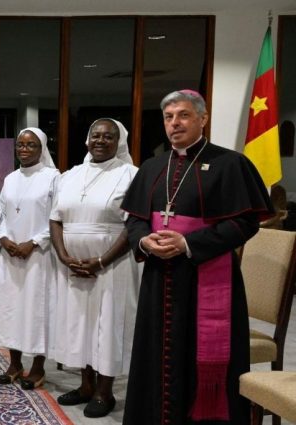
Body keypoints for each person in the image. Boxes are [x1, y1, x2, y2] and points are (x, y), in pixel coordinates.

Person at [121, 90, 273, 424]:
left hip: (206, 274)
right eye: (168, 117)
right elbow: (134, 219)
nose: (175, 123)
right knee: (156, 354)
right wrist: (145, 241)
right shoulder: (151, 167)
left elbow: (246, 222)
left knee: (195, 355)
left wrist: (189, 244)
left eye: (184, 115)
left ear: (203, 119)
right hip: (159, 277)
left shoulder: (230, 164)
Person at [48, 118, 138, 418]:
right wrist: (63, 255)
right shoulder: (71, 175)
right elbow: (56, 218)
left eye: (108, 137)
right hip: (73, 266)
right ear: (87, 140)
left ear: (119, 142)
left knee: (107, 325)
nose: (100, 141)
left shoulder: (130, 175)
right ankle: (86, 385)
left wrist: (101, 261)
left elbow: (133, 226)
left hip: (112, 266)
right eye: (95, 135)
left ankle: (105, 391)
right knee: (80, 324)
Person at [0, 127, 59, 390]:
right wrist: (5, 239)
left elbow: (56, 217)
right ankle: (15, 363)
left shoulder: (53, 178)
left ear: (42, 149)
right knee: (11, 309)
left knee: (37, 309)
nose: (25, 149)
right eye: (21, 145)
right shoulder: (10, 178)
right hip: (10, 255)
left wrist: (34, 242)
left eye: (31, 145)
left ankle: (38, 367)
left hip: (39, 256)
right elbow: (1, 213)